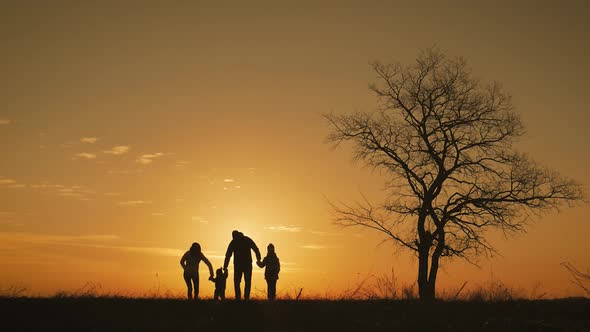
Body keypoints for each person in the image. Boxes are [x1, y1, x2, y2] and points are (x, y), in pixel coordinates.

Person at [223, 230, 261, 300]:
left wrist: (258, 259)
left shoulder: (243, 240)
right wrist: (225, 266)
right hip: (241, 265)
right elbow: (228, 255)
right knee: (241, 282)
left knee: (244, 281)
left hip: (244, 265)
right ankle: (240, 297)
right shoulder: (236, 242)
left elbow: (255, 249)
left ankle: (243, 297)